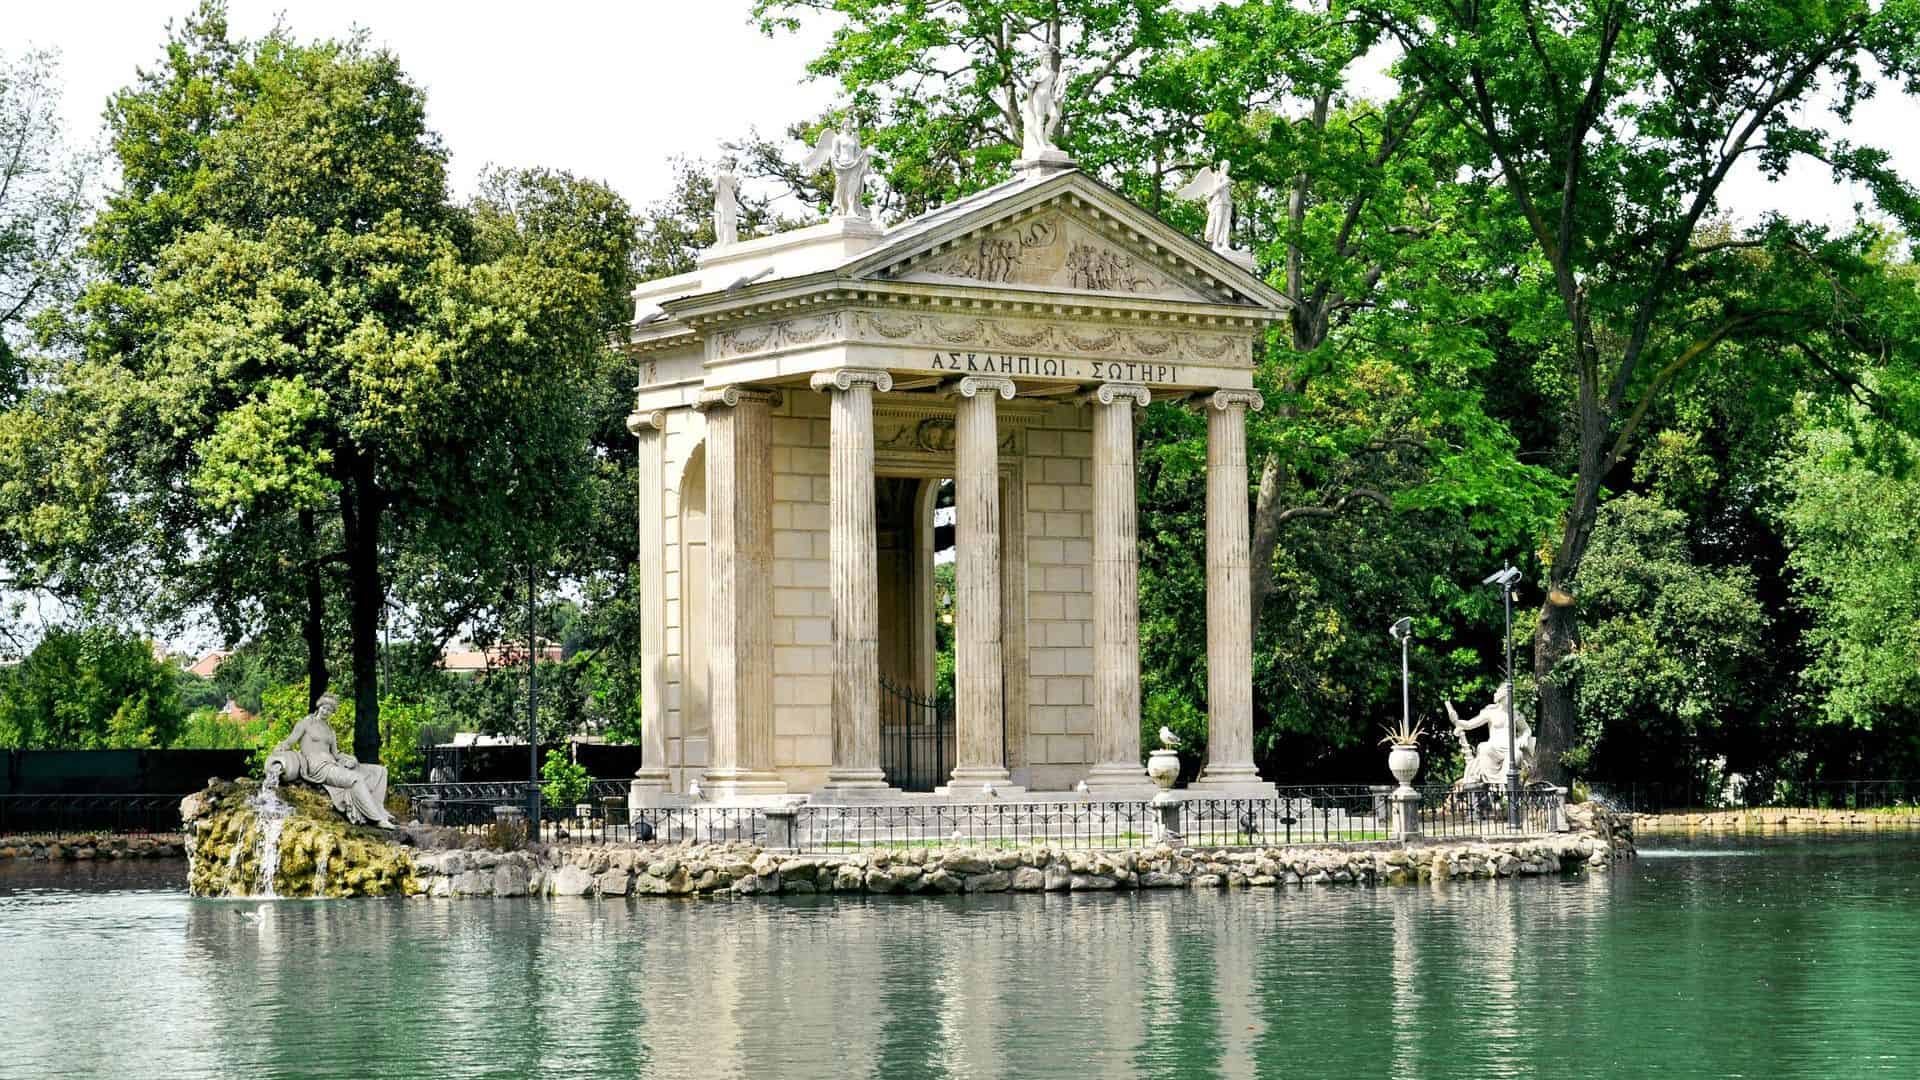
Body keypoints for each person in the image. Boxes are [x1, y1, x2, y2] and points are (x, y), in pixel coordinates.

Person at [265, 694, 398, 828]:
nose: (326, 711)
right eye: (324, 708)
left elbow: (335, 754)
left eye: (329, 710)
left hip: (333, 763)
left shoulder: (330, 730)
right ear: (319, 706)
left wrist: (351, 759)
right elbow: (289, 742)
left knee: (379, 771)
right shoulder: (305, 723)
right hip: (317, 767)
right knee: (356, 779)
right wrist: (278, 751)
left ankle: (379, 809)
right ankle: (377, 819)